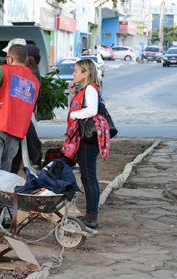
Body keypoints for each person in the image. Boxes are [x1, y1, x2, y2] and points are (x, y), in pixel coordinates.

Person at [0, 44, 40, 172]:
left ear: (10, 59)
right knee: (4, 173)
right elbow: (24, 104)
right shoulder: (34, 81)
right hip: (15, 133)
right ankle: (1, 193)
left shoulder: (5, 70)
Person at [66, 59, 103, 229]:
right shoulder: (83, 90)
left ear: (85, 73)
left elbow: (92, 110)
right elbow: (75, 107)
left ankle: (91, 216)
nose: (73, 74)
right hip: (83, 139)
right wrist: (72, 94)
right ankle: (90, 214)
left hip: (88, 139)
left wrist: (74, 116)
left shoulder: (90, 89)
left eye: (76, 71)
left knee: (89, 178)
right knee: (87, 176)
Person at [11, 43, 43, 173]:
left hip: (23, 121)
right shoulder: (33, 75)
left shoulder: (30, 77)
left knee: (17, 157)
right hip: (25, 121)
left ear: (29, 60)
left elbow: (19, 101)